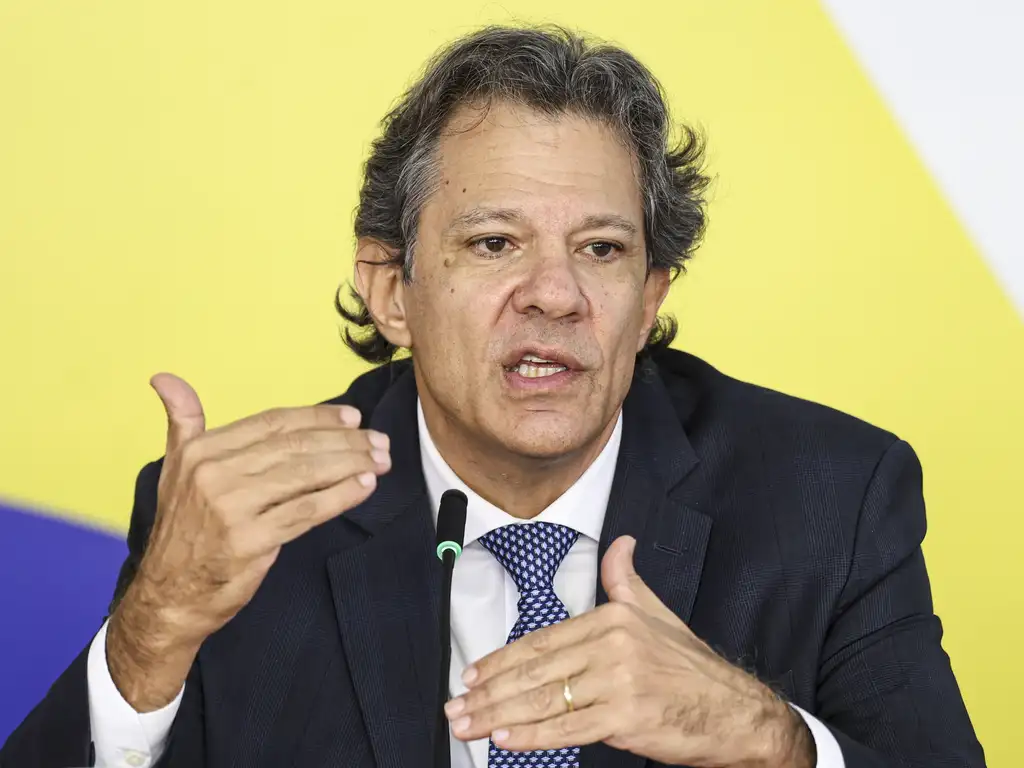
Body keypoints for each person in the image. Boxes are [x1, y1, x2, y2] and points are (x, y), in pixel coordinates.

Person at [0, 25, 984, 768]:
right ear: (392, 290)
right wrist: (152, 635)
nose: (555, 293)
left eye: (601, 249)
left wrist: (770, 739)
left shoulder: (832, 498)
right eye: (494, 242)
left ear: (649, 300)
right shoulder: (248, 526)